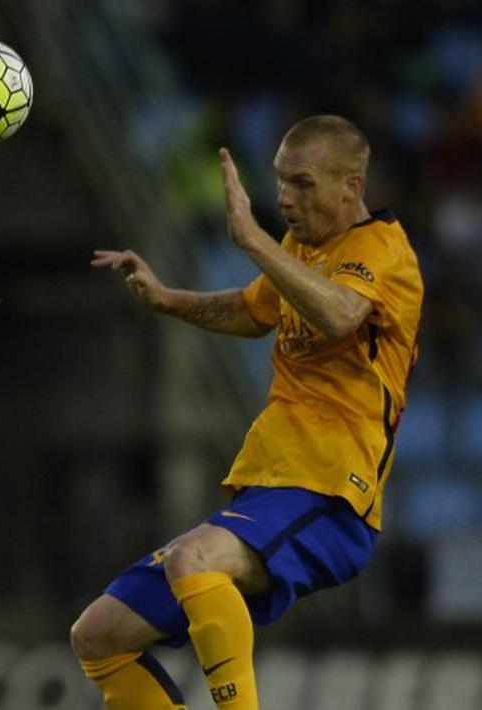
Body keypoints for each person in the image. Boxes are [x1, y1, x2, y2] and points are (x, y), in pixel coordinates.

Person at [73, 115, 423, 709]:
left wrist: (253, 240)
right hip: (268, 486)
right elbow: (252, 312)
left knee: (193, 559)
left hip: (332, 492)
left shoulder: (384, 251)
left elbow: (339, 315)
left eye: (303, 183)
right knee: (100, 635)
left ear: (350, 184)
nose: (285, 197)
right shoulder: (299, 247)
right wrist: (167, 299)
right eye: (280, 181)